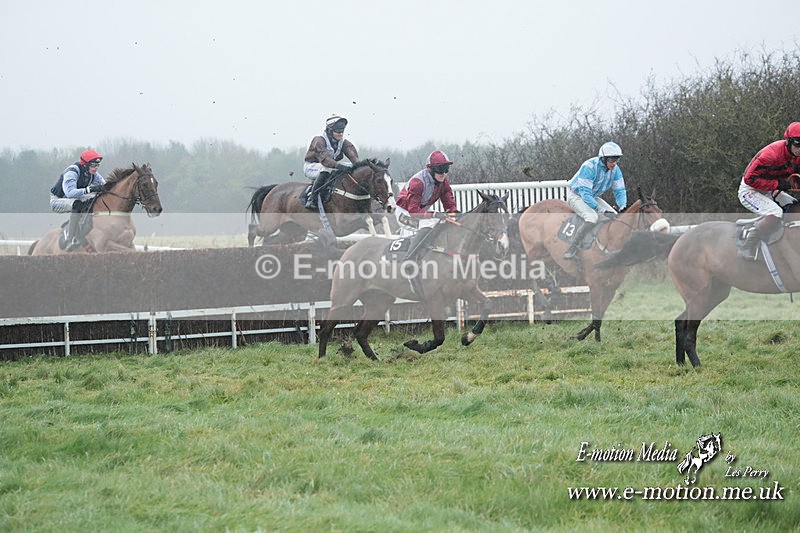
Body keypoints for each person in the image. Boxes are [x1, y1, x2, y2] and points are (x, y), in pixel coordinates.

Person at [737, 122, 800, 260]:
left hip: (770, 189)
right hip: (750, 191)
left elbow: (796, 176)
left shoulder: (797, 156)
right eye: (798, 144)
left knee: (794, 205)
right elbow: (749, 179)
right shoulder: (771, 155)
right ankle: (747, 244)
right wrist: (777, 184)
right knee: (776, 213)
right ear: (788, 142)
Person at [563, 141, 627, 259]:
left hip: (592, 196)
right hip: (577, 196)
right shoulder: (589, 167)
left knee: (615, 215)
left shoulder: (616, 170)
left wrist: (623, 205)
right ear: (603, 159)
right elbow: (585, 194)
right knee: (592, 217)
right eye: (612, 160)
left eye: (617, 160)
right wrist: (601, 210)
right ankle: (572, 248)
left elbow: (620, 191)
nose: (614, 164)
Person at [395, 150, 459, 261]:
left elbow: (448, 201)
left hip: (419, 211)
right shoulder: (418, 183)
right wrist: (434, 214)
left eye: (446, 169)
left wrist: (453, 212)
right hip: (405, 213)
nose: (443, 173)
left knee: (444, 222)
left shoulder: (443, 182)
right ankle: (408, 259)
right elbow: (414, 211)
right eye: (440, 169)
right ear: (431, 169)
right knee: (429, 224)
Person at [49, 149, 106, 251]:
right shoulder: (72, 172)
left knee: (95, 199)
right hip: (58, 200)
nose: (96, 168)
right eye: (93, 165)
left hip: (75, 197)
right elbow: (70, 193)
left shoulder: (93, 174)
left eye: (97, 165)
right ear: (85, 165)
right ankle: (71, 239)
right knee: (77, 204)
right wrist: (89, 189)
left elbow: (105, 185)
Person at [303, 115, 359, 209]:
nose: (340, 134)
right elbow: (325, 160)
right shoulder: (319, 140)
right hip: (312, 167)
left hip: (331, 166)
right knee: (326, 168)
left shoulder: (343, 142)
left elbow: (354, 158)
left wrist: (359, 166)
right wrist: (339, 166)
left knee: (352, 167)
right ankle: (312, 198)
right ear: (330, 131)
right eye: (337, 131)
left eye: (342, 131)